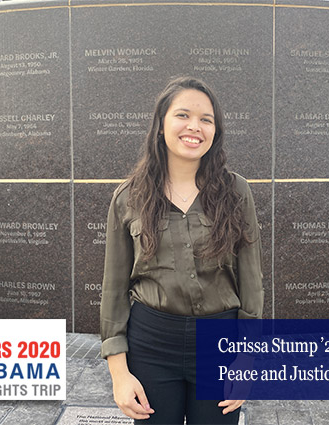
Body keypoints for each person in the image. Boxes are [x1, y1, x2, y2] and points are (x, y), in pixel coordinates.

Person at [100, 76, 263, 424]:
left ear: (215, 132)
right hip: (151, 344)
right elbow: (113, 289)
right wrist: (119, 374)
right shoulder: (129, 197)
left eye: (206, 119)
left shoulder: (236, 192)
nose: (195, 127)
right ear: (161, 125)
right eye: (183, 115)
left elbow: (251, 283)